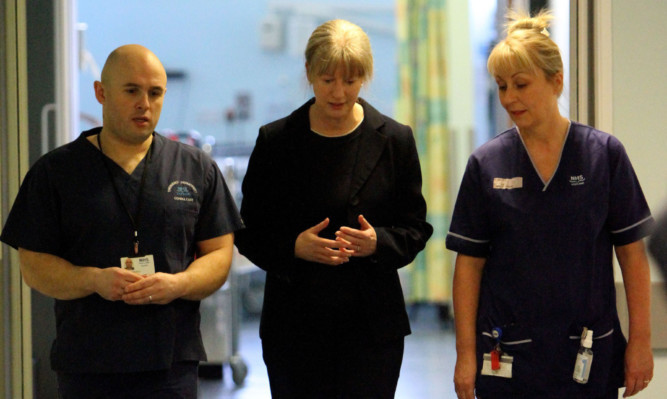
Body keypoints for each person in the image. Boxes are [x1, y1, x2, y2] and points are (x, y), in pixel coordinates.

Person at [0, 44, 244, 398]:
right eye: (131, 90)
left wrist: (178, 284)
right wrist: (93, 279)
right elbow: (33, 266)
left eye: (155, 92)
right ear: (100, 92)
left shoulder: (194, 168)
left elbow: (220, 254)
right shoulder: (56, 172)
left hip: (171, 364)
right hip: (88, 365)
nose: (144, 103)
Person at [446, 10, 654, 399]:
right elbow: (468, 265)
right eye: (501, 86)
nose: (509, 98)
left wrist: (641, 342)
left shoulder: (603, 156)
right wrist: (464, 355)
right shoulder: (486, 164)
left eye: (521, 85)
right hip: (506, 352)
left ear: (556, 81)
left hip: (587, 349)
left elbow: (633, 256)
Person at [235, 19, 433, 399]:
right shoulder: (275, 142)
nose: (339, 92)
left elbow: (415, 228)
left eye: (351, 80)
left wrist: (377, 243)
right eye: (328, 80)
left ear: (365, 77)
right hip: (294, 329)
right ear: (308, 73)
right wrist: (294, 247)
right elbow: (248, 231)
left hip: (373, 330)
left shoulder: (394, 140)